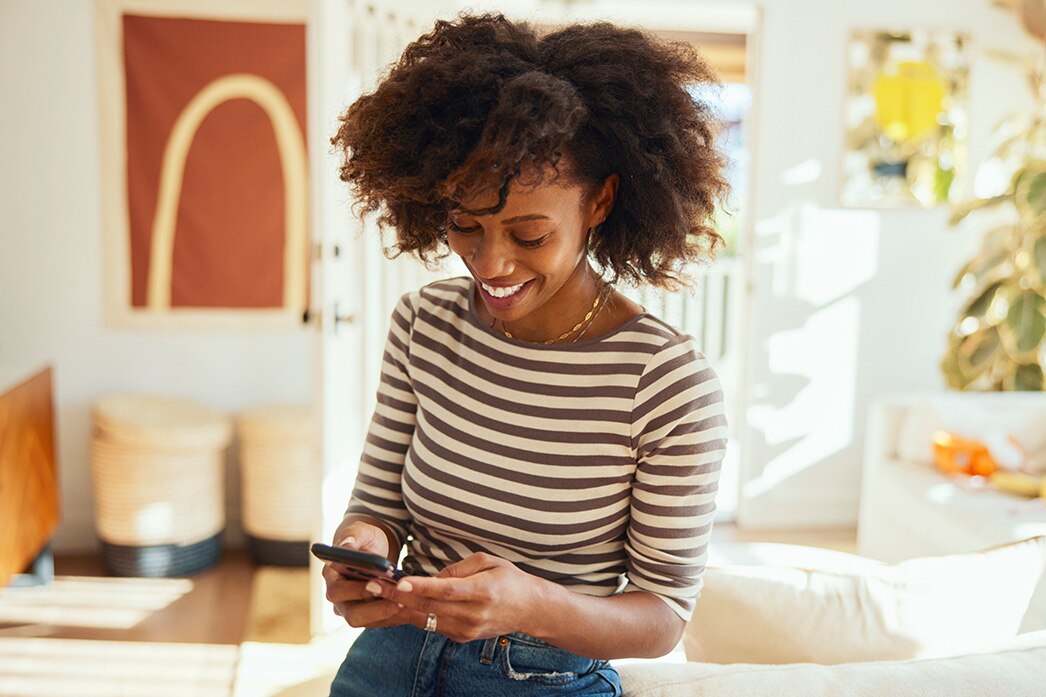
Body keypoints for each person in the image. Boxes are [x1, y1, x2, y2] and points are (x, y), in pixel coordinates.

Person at [322, 12, 730, 697]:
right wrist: (363, 548)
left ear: (600, 201)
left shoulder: (664, 385)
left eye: (529, 234)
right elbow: (378, 507)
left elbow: (663, 616)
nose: (491, 262)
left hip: (540, 675)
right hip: (390, 654)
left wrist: (532, 605)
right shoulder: (425, 324)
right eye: (465, 223)